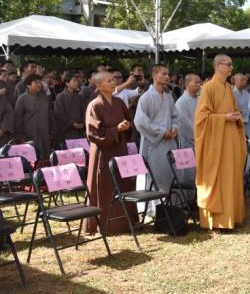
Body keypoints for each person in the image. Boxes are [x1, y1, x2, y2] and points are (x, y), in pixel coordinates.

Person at [194, 54, 247, 230]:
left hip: (230, 139)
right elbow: (201, 118)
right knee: (219, 178)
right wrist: (223, 118)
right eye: (229, 64)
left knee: (231, 176)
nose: (232, 68)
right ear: (218, 66)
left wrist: (236, 115)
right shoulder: (208, 88)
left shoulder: (228, 88)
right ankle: (218, 220)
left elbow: (234, 109)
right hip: (216, 142)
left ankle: (232, 216)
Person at [83, 71, 136, 235]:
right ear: (98, 85)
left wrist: (127, 126)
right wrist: (115, 130)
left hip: (119, 148)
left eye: (113, 80)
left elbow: (129, 120)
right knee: (104, 186)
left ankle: (124, 222)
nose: (113, 83)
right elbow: (93, 133)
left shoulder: (119, 102)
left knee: (122, 183)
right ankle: (102, 223)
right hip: (103, 152)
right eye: (108, 81)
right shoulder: (95, 105)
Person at [134, 64, 179, 215]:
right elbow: (140, 121)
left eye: (168, 74)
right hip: (153, 143)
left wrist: (174, 128)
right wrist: (161, 132)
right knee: (153, 174)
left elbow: (175, 116)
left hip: (168, 141)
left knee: (168, 172)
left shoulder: (168, 97)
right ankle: (152, 210)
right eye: (164, 74)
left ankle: (168, 207)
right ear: (154, 75)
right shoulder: (146, 97)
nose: (167, 77)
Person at [14, 74, 53, 158]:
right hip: (29, 135)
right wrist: (20, 137)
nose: (39, 85)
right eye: (36, 83)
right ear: (28, 85)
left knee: (45, 159)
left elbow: (50, 116)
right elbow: (18, 119)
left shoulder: (44, 97)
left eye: (40, 83)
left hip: (44, 135)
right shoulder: (22, 99)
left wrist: (51, 133)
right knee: (32, 160)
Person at [175, 73, 201, 199]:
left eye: (199, 82)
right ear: (187, 83)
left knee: (199, 171)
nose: (198, 85)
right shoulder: (181, 102)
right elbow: (185, 124)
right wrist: (198, 135)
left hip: (200, 139)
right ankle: (187, 199)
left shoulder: (199, 100)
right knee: (188, 171)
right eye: (195, 82)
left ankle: (197, 198)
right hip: (187, 140)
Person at [53, 71, 87, 143]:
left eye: (77, 81)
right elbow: (59, 114)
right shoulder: (60, 96)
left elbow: (85, 111)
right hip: (66, 131)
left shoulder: (80, 97)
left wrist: (82, 123)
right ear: (67, 83)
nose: (77, 83)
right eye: (74, 81)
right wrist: (72, 124)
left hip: (80, 131)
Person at [233, 73, 250, 138]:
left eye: (245, 80)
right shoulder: (232, 93)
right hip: (236, 122)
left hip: (247, 121)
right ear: (235, 81)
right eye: (242, 80)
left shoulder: (246, 93)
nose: (244, 82)